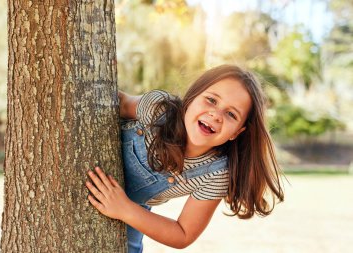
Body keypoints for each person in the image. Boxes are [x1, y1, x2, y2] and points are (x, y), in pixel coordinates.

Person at [85, 64, 284, 252]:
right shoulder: (159, 109)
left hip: (131, 212)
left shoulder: (216, 174)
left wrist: (125, 210)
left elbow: (183, 233)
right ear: (191, 99)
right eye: (211, 100)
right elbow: (118, 103)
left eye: (231, 114)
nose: (216, 114)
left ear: (236, 132)